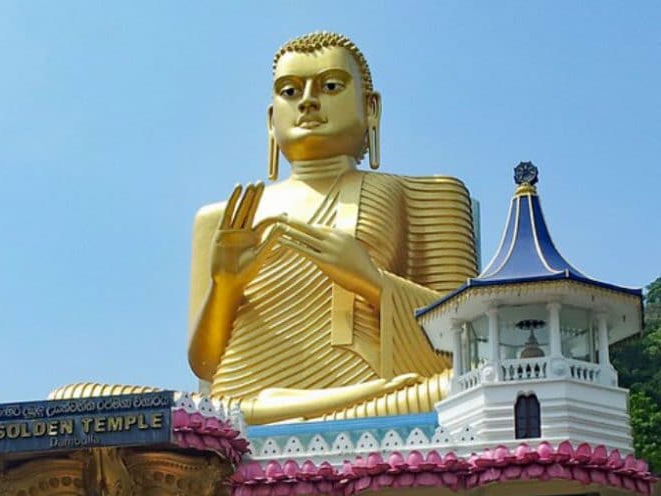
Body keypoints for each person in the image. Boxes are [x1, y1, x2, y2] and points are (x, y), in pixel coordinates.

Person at [188, 30, 478, 424]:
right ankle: (255, 416)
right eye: (289, 91)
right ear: (272, 120)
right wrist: (225, 287)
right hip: (237, 405)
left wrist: (372, 283)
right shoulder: (224, 217)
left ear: (371, 108)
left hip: (376, 400)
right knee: (85, 399)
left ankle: (283, 414)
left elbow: (468, 345)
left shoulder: (424, 194)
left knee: (467, 388)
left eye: (329, 86)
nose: (307, 101)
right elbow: (205, 364)